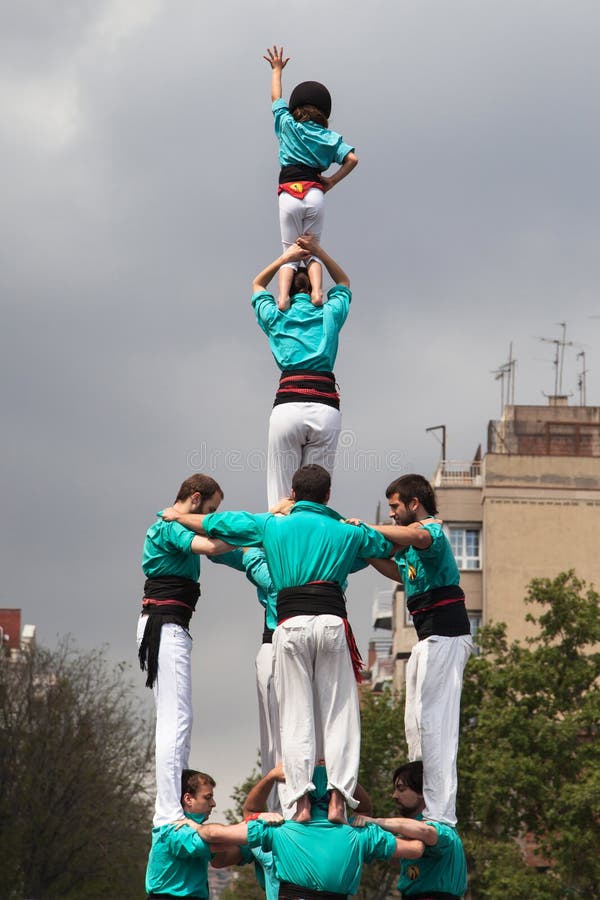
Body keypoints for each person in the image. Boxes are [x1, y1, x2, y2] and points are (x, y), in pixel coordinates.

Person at [161, 464, 394, 823]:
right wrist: (358, 526)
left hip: (289, 626)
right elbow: (386, 544)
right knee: (339, 716)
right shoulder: (345, 532)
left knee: (294, 717)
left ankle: (299, 802)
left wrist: (176, 514)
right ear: (328, 495)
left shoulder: (271, 525)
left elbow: (215, 525)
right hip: (332, 622)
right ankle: (337, 799)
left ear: (294, 495)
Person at [353, 474, 473, 826]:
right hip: (427, 641)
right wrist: (366, 550)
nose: (392, 514)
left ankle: (441, 814)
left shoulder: (431, 531)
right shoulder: (411, 549)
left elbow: (417, 535)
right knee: (416, 725)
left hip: (446, 638)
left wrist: (368, 527)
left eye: (395, 507)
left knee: (437, 724)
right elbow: (400, 572)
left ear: (414, 504)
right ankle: (423, 799)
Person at [138, 473, 231, 826]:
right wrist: (256, 531)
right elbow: (209, 546)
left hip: (170, 625)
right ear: (194, 499)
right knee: (175, 720)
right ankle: (169, 810)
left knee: (178, 720)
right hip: (165, 624)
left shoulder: (178, 526)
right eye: (210, 510)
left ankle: (173, 802)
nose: (209, 519)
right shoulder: (170, 524)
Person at [193, 765, 424, 900]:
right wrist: (343, 778)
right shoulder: (359, 833)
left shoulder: (278, 830)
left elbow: (213, 836)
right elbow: (415, 849)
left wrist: (191, 825)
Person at [252, 235, 351, 507]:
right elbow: (343, 283)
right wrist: (318, 251)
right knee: (316, 498)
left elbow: (258, 284)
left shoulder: (276, 314)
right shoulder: (329, 312)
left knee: (280, 498)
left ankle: (277, 545)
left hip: (287, 408)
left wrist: (286, 258)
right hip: (325, 408)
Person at [263, 45, 358, 309]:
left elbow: (275, 98)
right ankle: (317, 293)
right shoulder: (329, 137)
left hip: (288, 193)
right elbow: (352, 159)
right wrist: (331, 181)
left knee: (289, 253)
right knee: (312, 249)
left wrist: (277, 70)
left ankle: (282, 299)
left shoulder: (287, 124)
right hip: (314, 193)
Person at [353, 761, 468, 899]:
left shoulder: (441, 827)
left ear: (422, 791)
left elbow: (426, 832)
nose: (394, 795)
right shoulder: (414, 831)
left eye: (401, 789)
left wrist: (376, 821)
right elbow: (398, 858)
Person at [145, 768, 217, 899]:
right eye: (208, 798)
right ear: (188, 799)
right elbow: (206, 844)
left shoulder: (190, 827)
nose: (213, 804)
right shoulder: (177, 829)